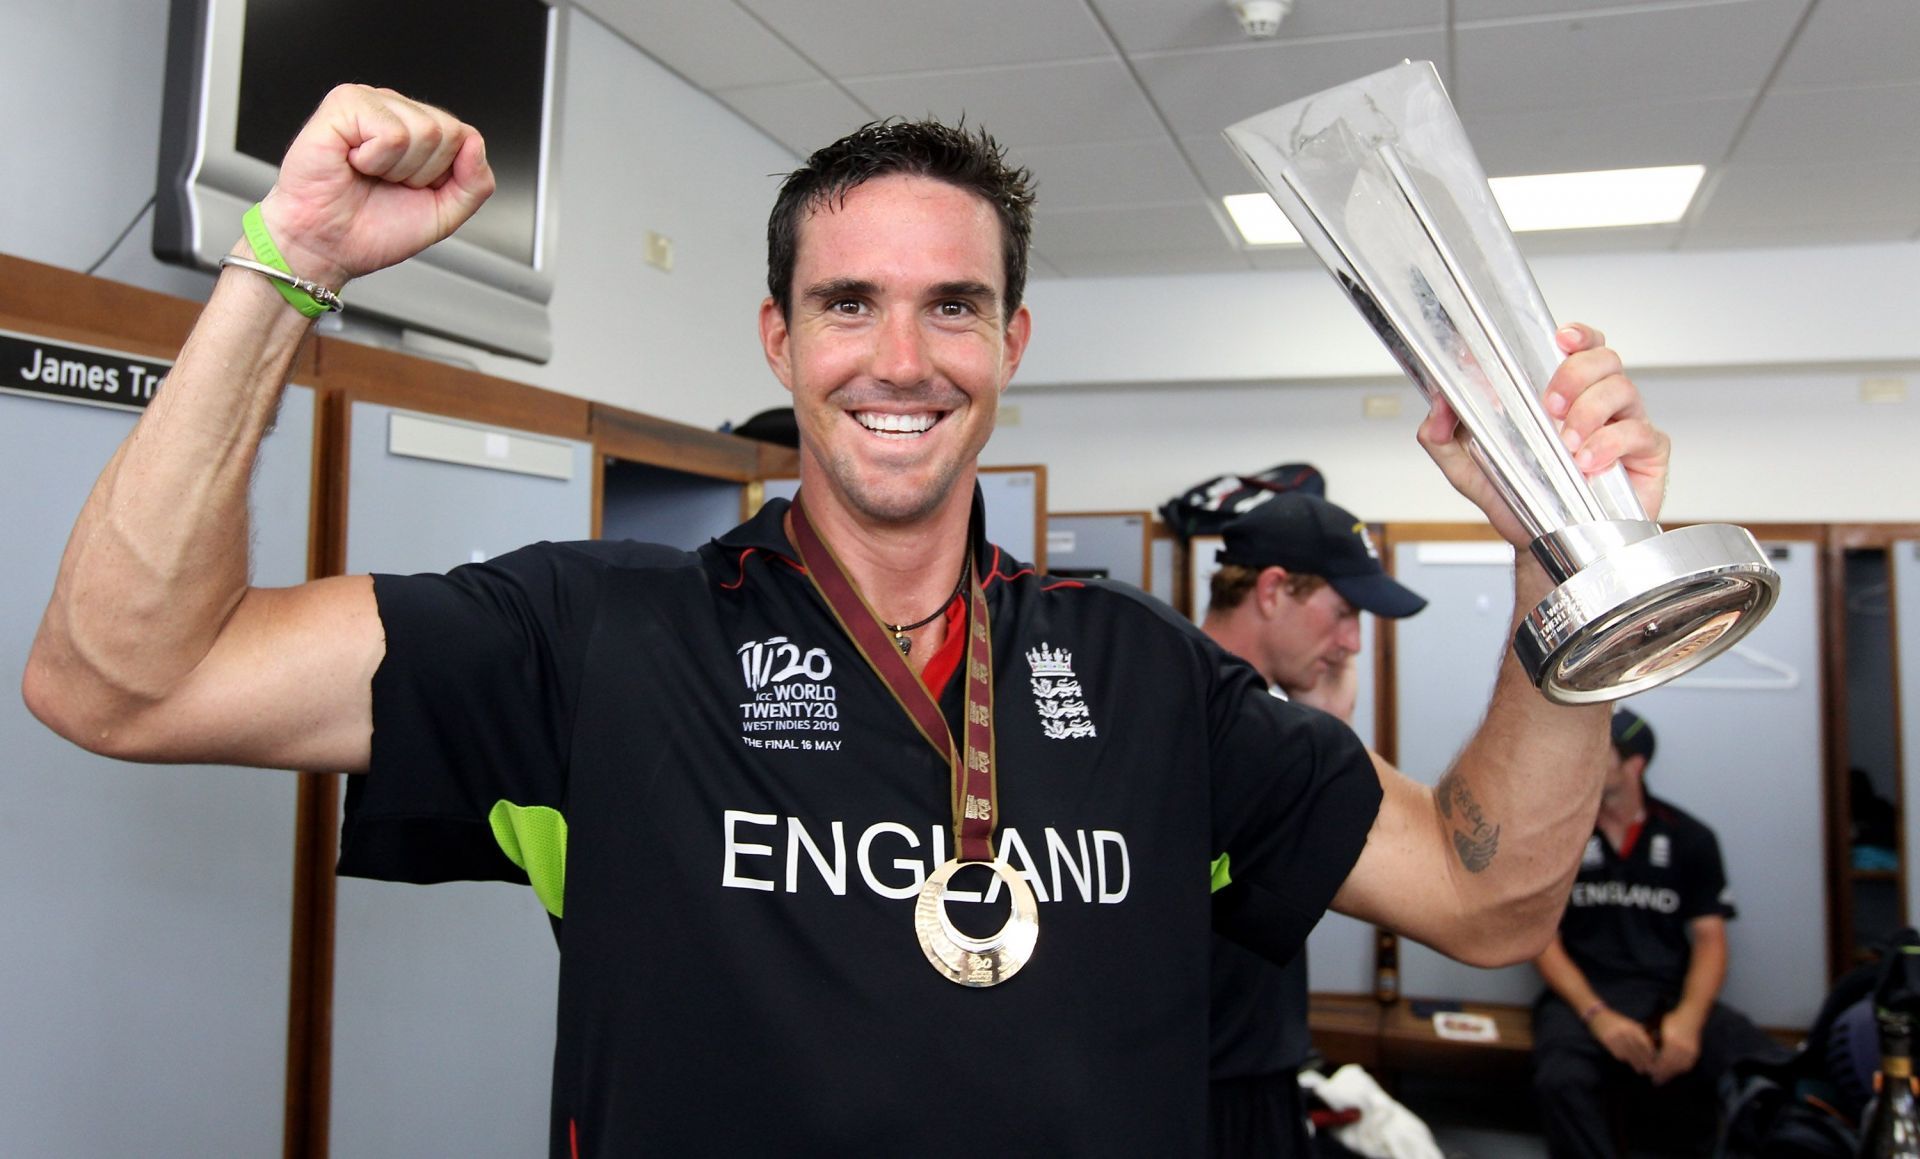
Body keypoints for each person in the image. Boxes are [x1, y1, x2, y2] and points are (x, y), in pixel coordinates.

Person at [23, 84, 1671, 1156]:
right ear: (778, 335)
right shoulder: (592, 636)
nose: (902, 356)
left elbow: (1484, 885)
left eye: (951, 303)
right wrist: (285, 263)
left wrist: (1565, 571)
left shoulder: (1148, 675)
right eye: (849, 302)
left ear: (1010, 337)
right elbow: (122, 674)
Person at [1201, 492, 1428, 1156]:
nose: (1353, 641)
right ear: (1273, 590)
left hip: (1259, 1063)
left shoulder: (1269, 720)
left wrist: (1325, 734)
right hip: (1202, 1081)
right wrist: (1324, 736)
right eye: (1344, 612)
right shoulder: (1191, 710)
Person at [1530, 708, 1785, 1158]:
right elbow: (1540, 939)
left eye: (1598, 752)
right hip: (1584, 997)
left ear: (1634, 765)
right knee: (1561, 1081)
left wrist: (1687, 1021)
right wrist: (1598, 1016)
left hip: (1666, 994)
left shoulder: (1690, 838)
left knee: (1768, 1071)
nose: (1581, 759)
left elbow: (1710, 940)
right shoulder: (1558, 834)